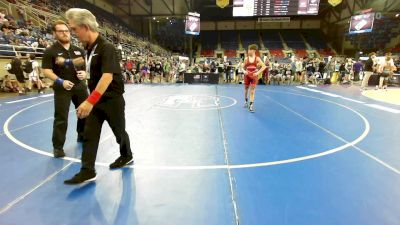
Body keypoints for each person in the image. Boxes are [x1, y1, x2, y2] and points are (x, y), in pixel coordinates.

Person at [64, 8, 133, 184]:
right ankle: (87, 170)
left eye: (74, 29)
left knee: (119, 133)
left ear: (85, 27)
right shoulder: (89, 48)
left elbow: (107, 76)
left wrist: (89, 101)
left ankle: (127, 155)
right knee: (90, 134)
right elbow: (90, 65)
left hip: (112, 100)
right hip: (96, 99)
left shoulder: (106, 47)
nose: (73, 33)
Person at [42, 20, 89, 158]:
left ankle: (82, 135)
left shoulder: (78, 50)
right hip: (62, 88)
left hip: (80, 87)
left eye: (67, 31)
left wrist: (85, 74)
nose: (65, 33)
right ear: (54, 33)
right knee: (61, 118)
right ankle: (58, 147)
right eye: (61, 31)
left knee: (84, 113)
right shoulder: (51, 51)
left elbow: (86, 67)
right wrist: (60, 81)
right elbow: (46, 70)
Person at [242, 44, 266, 113]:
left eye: (249, 50)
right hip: (247, 75)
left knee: (252, 91)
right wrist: (244, 71)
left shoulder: (257, 58)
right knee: (246, 89)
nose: (248, 51)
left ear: (253, 51)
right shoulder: (246, 58)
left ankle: (251, 105)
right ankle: (246, 101)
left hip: (254, 76)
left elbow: (264, 66)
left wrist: (257, 73)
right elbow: (242, 67)